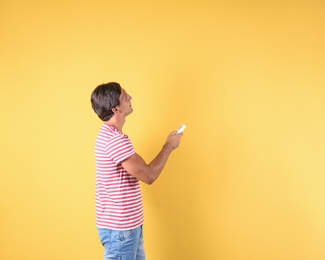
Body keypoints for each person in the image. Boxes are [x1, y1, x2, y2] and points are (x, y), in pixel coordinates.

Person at [90, 82, 184, 260]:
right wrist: (168, 146)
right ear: (115, 108)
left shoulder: (112, 137)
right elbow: (149, 175)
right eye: (125, 96)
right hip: (120, 230)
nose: (130, 98)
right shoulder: (114, 141)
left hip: (128, 227)